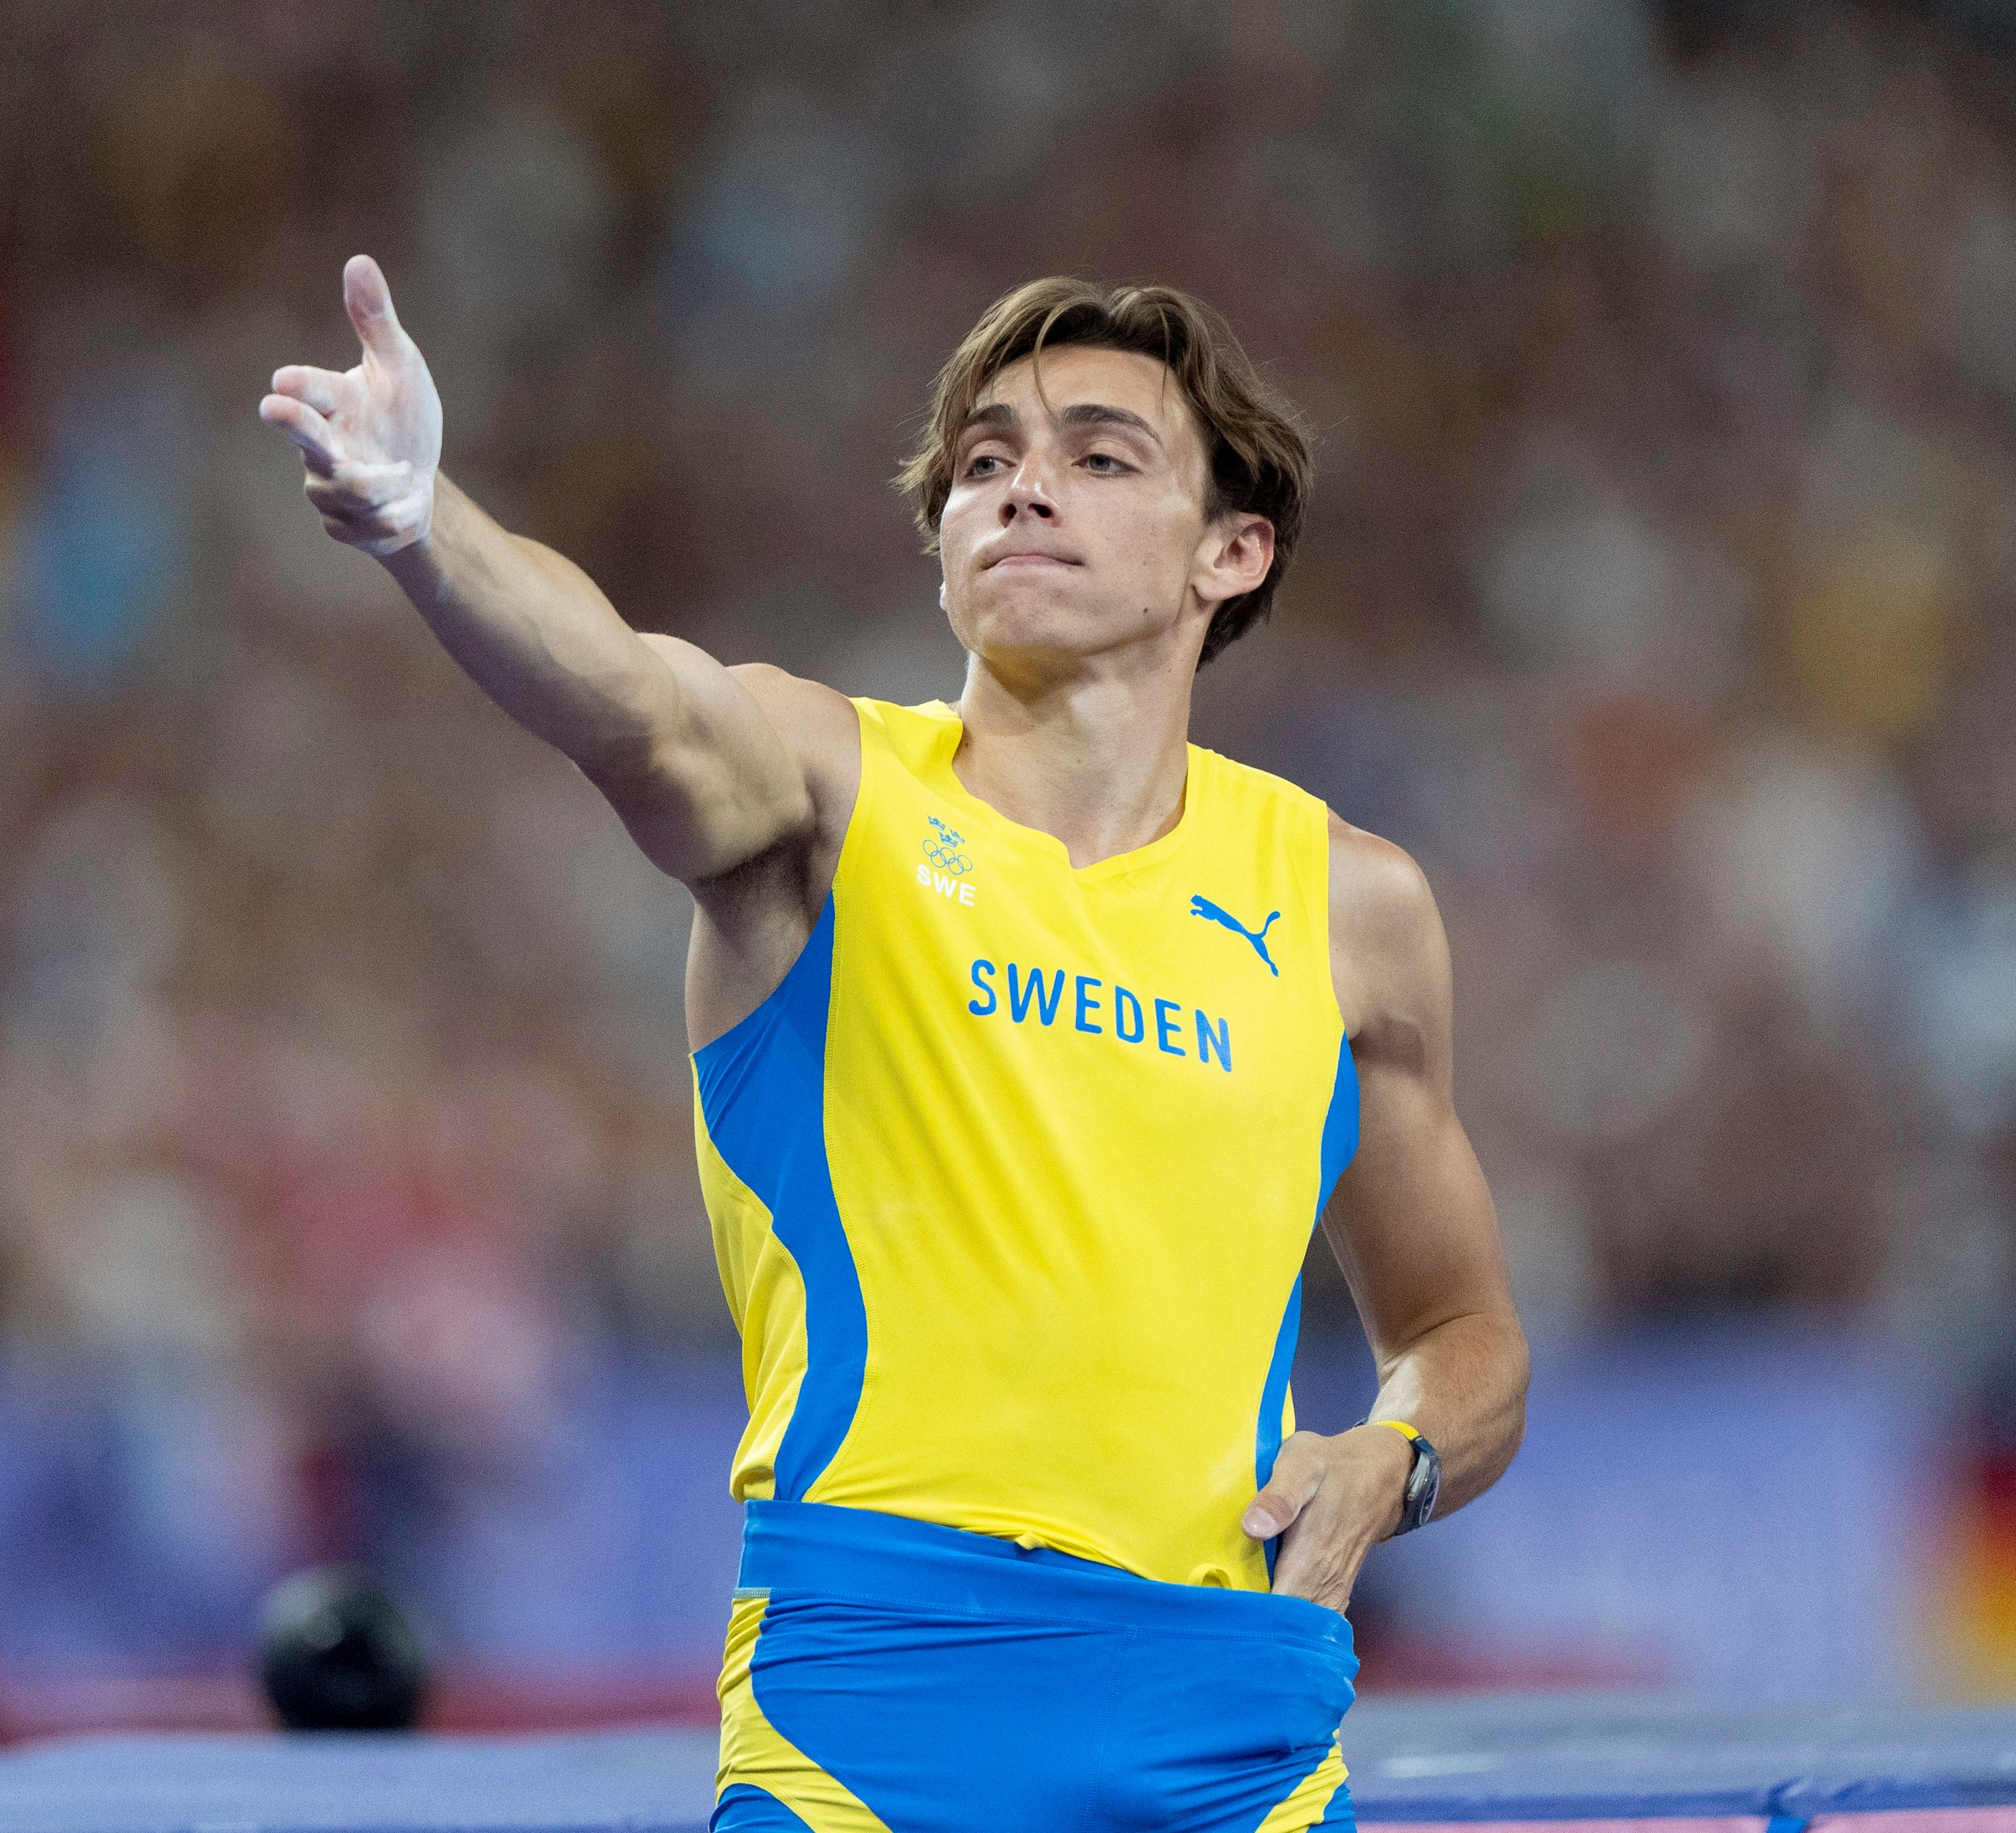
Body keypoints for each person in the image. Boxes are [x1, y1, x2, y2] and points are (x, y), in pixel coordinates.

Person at [260, 258, 1529, 1832]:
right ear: (940, 550)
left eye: (1099, 455)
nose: (1020, 489)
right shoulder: (829, 789)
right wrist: (423, 519)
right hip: (873, 1711)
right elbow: (630, 702)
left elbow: (1465, 1330)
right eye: (983, 463)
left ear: (1232, 550)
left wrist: (1392, 1458)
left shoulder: (1352, 904)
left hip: (1234, 1733)